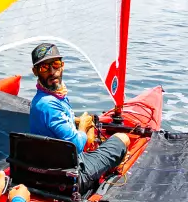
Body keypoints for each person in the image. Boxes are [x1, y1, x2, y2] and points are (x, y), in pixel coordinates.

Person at [29, 43, 130, 192]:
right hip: (72, 177)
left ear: (62, 65)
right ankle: (110, 173)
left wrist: (76, 120)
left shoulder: (45, 98)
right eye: (44, 67)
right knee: (123, 138)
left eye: (55, 64)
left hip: (48, 170)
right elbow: (77, 145)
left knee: (89, 137)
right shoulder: (49, 105)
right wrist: (82, 124)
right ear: (35, 71)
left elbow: (54, 123)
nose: (52, 72)